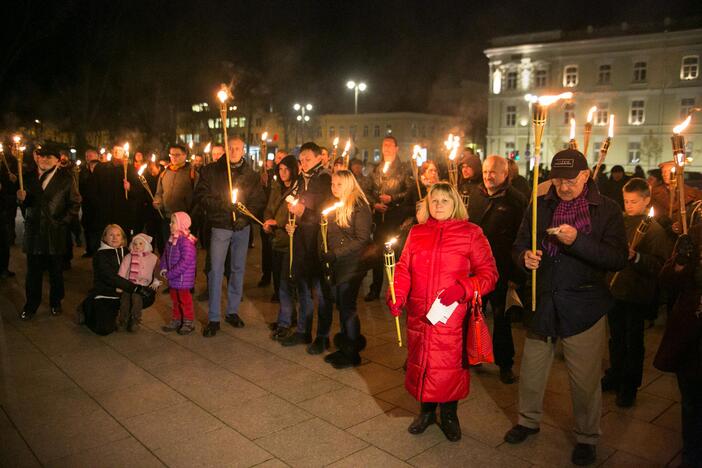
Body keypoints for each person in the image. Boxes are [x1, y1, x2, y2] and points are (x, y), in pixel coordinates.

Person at [505, 149, 628, 466]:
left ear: (586, 176)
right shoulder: (542, 203)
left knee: (585, 379)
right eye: (558, 180)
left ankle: (587, 437)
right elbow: (520, 242)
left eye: (571, 180)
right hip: (543, 300)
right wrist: (524, 258)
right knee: (531, 370)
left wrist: (578, 242)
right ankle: (528, 421)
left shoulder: (607, 209)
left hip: (584, 304)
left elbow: (617, 258)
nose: (563, 187)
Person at [389, 182, 498, 442]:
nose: (438, 205)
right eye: (434, 200)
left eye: (444, 201)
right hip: (420, 313)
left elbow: (489, 275)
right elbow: (404, 269)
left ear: (455, 204)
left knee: (449, 368)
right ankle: (426, 412)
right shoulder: (417, 232)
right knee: (422, 362)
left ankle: (449, 415)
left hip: (453, 316)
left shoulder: (472, 233)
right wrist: (398, 295)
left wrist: (463, 289)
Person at [603, 178, 668, 407]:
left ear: (646, 200)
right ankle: (615, 375)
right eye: (625, 201)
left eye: (633, 201)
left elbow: (660, 265)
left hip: (637, 294)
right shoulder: (620, 222)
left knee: (633, 341)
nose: (628, 206)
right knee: (616, 338)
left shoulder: (654, 230)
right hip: (616, 290)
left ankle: (629, 387)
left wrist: (636, 256)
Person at [194, 136, 266, 337]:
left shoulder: (250, 175)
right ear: (226, 149)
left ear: (243, 150)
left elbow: (258, 201)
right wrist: (223, 206)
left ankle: (232, 311)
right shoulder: (211, 171)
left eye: (238, 148)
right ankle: (214, 317)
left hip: (241, 228)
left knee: (237, 269)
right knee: (215, 270)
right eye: (231, 148)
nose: (234, 151)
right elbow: (201, 196)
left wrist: (245, 218)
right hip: (220, 226)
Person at [468, 155, 527, 384]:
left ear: (505, 174)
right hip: (475, 269)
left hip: (501, 268)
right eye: (485, 171)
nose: (487, 175)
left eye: (493, 171)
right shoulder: (476, 194)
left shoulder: (515, 200)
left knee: (501, 319)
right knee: (474, 315)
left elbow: (521, 238)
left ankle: (505, 363)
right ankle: (475, 355)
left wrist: (516, 274)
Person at [654, 228, 702, 468]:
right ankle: (692, 454)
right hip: (693, 334)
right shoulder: (696, 234)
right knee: (692, 400)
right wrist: (681, 263)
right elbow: (667, 281)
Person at [281, 141, 334, 353]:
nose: (303, 163)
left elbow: (326, 211)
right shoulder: (302, 180)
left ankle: (322, 336)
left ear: (320, 158)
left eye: (308, 159)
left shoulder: (325, 179)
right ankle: (303, 331)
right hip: (302, 239)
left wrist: (305, 214)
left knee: (320, 292)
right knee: (302, 288)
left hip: (319, 242)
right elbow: (298, 204)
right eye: (301, 160)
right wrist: (293, 224)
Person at [17, 144, 80, 319]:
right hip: (34, 232)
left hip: (56, 232)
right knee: (33, 272)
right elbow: (27, 205)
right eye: (42, 157)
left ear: (57, 161)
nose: (45, 160)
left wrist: (63, 223)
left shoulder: (66, 178)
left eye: (49, 157)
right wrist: (23, 199)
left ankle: (55, 302)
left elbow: (74, 204)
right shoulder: (28, 177)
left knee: (56, 271)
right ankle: (31, 305)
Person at [320, 170, 373, 368]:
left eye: (339, 184)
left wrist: (336, 253)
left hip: (352, 265)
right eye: (333, 184)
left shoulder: (359, 206)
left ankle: (351, 353)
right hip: (338, 264)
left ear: (350, 184)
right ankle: (345, 347)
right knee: (342, 305)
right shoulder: (336, 204)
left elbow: (362, 239)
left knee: (347, 307)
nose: (334, 188)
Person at [365, 135, 412, 301]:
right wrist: (374, 204)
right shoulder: (376, 170)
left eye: (390, 145)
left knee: (396, 256)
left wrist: (393, 198)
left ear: (396, 149)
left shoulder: (404, 170)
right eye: (384, 145)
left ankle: (397, 291)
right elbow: (367, 191)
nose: (387, 148)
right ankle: (375, 289)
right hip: (380, 220)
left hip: (395, 220)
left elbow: (409, 192)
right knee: (377, 255)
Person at [79, 224, 149, 335]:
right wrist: (134, 288)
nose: (115, 238)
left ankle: (128, 315)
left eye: (118, 235)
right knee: (104, 330)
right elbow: (110, 278)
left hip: (124, 294)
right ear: (104, 237)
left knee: (147, 296)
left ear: (122, 238)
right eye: (111, 235)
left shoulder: (128, 252)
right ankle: (86, 307)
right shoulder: (100, 255)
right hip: (106, 293)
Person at [263, 154, 299, 339]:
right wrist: (267, 222)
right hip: (276, 239)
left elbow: (292, 215)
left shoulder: (298, 190)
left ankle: (285, 322)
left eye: (287, 169)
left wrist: (276, 222)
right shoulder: (276, 187)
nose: (283, 172)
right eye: (281, 169)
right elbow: (269, 207)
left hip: (289, 241)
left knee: (286, 284)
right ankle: (287, 316)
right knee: (279, 282)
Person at [160, 212, 198, 335]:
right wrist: (164, 268)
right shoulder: (172, 239)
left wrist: (171, 274)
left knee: (184, 300)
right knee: (175, 300)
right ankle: (177, 319)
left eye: (173, 222)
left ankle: (188, 321)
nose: (170, 224)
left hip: (182, 278)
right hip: (174, 278)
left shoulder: (186, 242)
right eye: (170, 222)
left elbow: (185, 261)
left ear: (182, 224)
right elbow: (165, 256)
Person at [153, 144, 195, 246]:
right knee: (168, 247)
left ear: (185, 155)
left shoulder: (192, 173)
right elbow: (159, 192)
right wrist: (158, 201)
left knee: (182, 249)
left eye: (177, 155)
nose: (174, 157)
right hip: (167, 218)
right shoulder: (165, 173)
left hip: (183, 221)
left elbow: (197, 197)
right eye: (171, 155)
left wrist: (191, 215)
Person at [117, 233, 160, 331]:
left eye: (140, 244)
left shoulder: (153, 258)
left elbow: (158, 270)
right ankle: (123, 320)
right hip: (128, 284)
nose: (137, 246)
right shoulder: (129, 257)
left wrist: (156, 281)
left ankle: (135, 320)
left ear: (146, 245)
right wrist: (120, 285)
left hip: (142, 285)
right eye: (135, 244)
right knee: (125, 300)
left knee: (136, 299)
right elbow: (122, 270)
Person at [79, 148, 103, 257]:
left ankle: (97, 249)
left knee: (97, 229)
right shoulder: (83, 171)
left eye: (90, 156)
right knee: (87, 227)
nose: (88, 158)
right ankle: (89, 249)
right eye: (86, 156)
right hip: (87, 205)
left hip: (98, 205)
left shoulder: (103, 171)